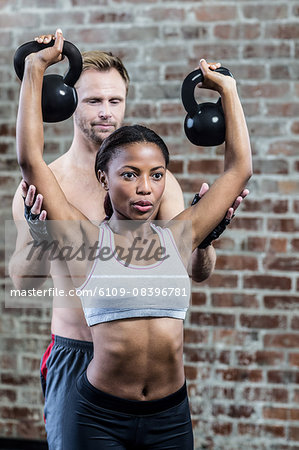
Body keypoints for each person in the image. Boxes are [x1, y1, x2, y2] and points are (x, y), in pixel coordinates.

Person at [10, 29, 248, 449]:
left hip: (163, 394)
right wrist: (41, 234)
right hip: (80, 361)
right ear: (68, 101)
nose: (106, 112)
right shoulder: (61, 203)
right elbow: (23, 282)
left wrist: (207, 238)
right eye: (94, 101)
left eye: (114, 101)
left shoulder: (166, 202)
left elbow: (198, 261)